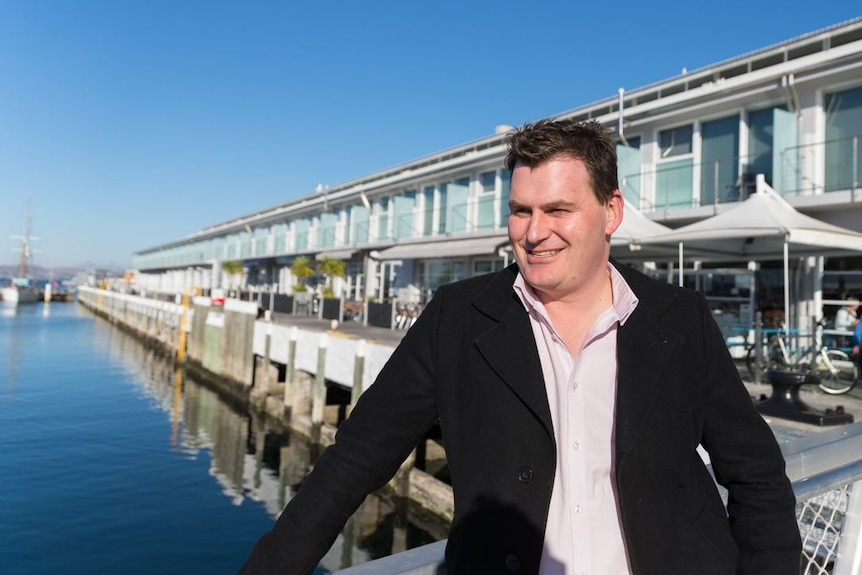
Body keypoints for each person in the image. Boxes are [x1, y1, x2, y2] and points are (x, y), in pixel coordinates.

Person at [238, 119, 801, 575]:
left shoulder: (679, 320)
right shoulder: (458, 319)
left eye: (558, 210)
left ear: (612, 213)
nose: (534, 233)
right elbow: (353, 462)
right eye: (521, 210)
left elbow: (756, 475)